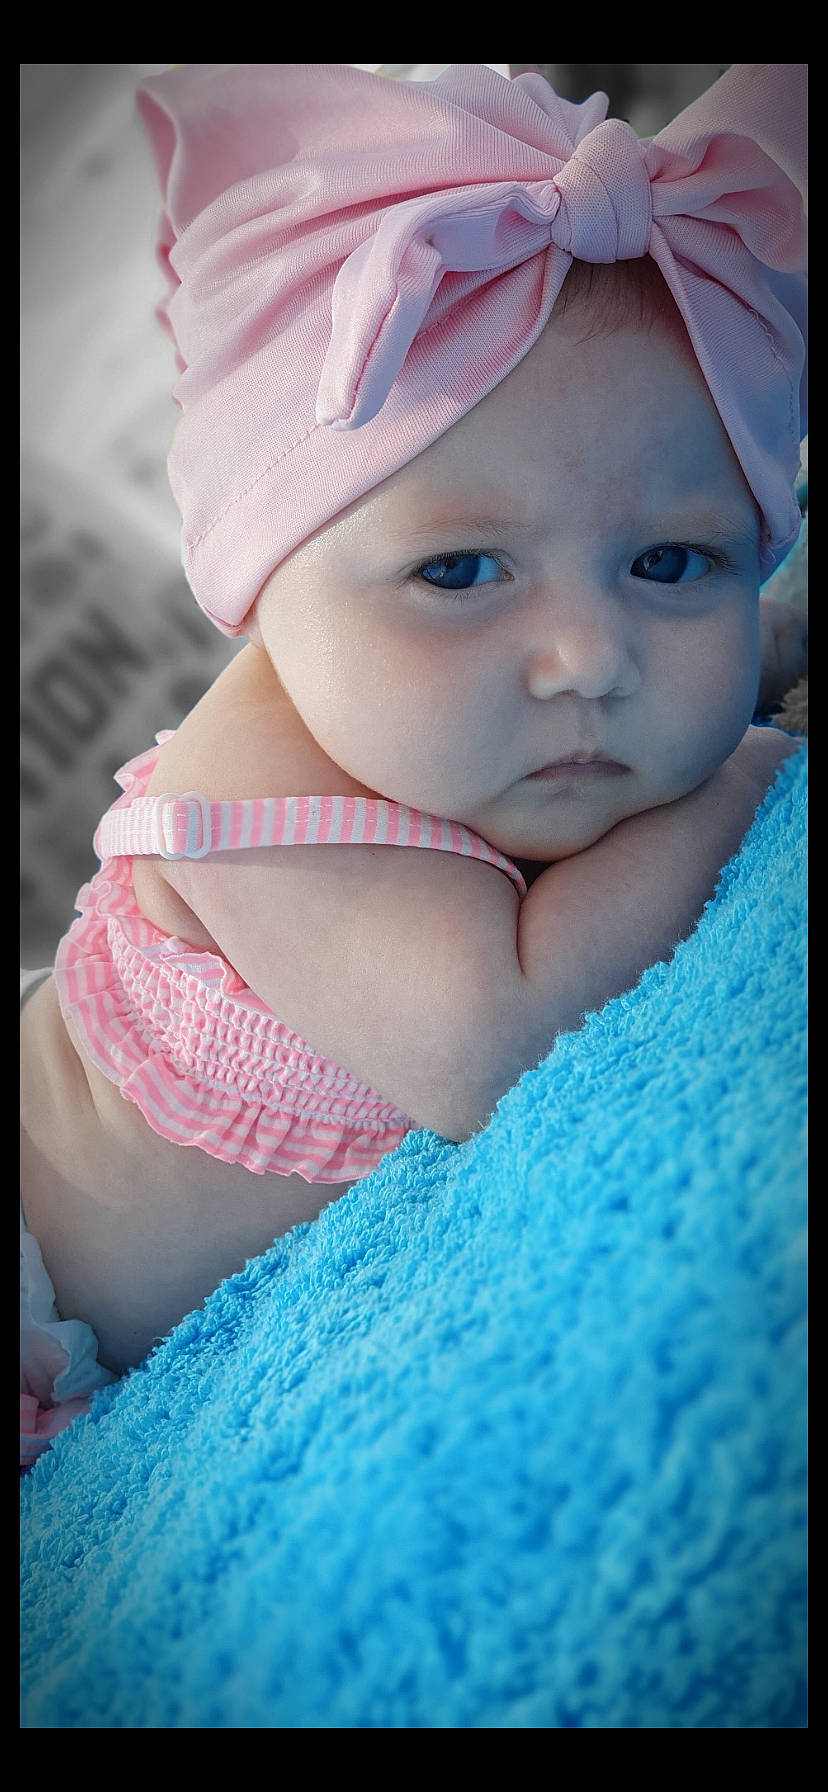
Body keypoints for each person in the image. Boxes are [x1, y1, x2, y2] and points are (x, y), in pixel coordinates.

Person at [20, 62, 807, 1466]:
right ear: (264, 594)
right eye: (458, 570)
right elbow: (490, 1040)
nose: (588, 656)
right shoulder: (256, 789)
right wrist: (750, 767)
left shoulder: (461, 718)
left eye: (671, 560)